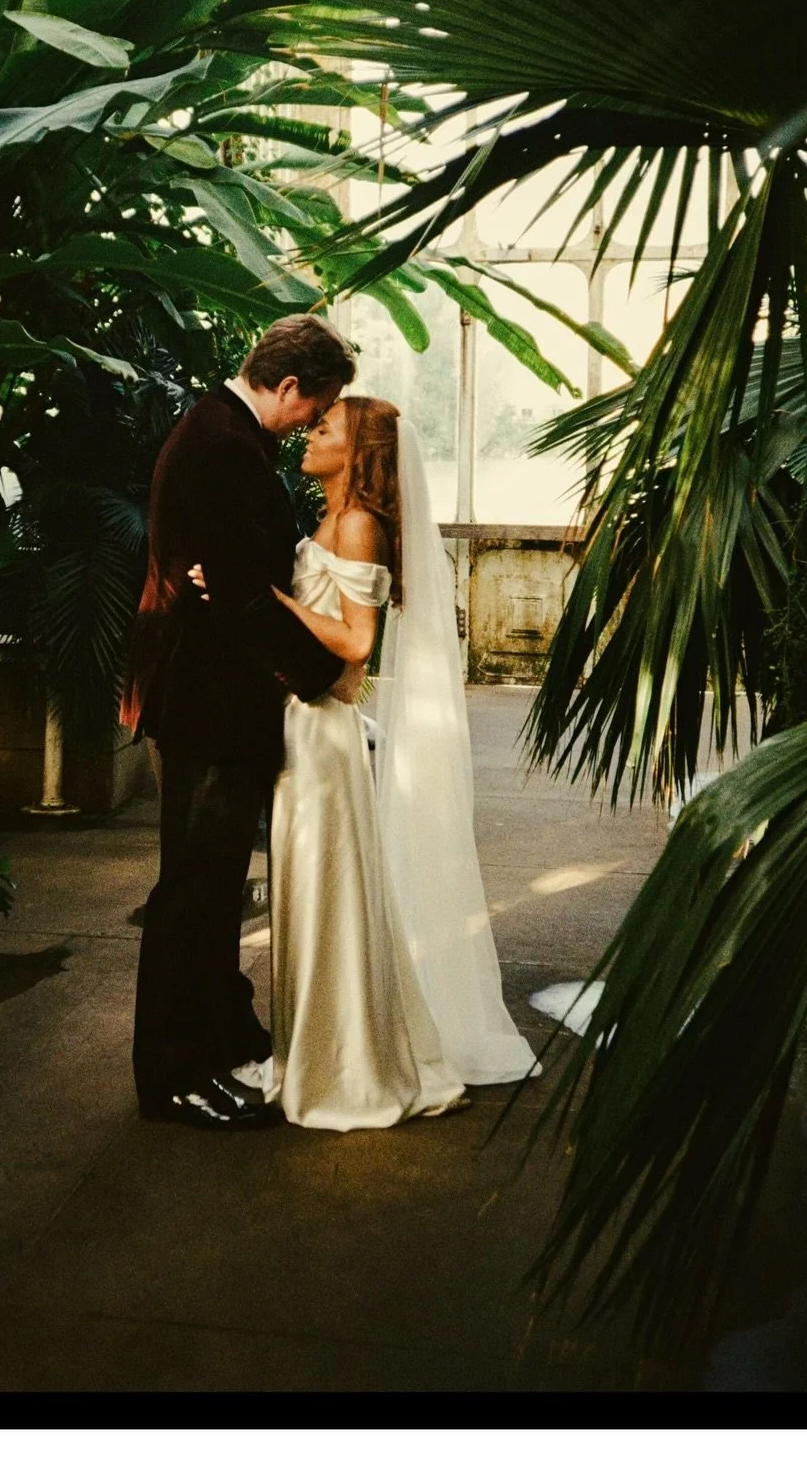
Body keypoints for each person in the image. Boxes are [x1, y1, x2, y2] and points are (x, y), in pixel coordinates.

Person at [190, 397, 539, 1130]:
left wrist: (274, 600)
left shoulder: (357, 525)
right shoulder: (323, 516)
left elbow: (355, 645)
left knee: (326, 888)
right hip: (300, 726)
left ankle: (347, 1065)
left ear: (359, 452)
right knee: (306, 890)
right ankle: (317, 1048)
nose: (311, 434)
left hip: (324, 739)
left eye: (327, 429)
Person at [121, 314, 359, 1130]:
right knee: (194, 892)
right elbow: (242, 598)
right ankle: (173, 1076)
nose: (309, 426)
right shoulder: (225, 446)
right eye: (314, 406)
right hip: (211, 706)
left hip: (202, 700)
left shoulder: (212, 429)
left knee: (210, 891)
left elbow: (222, 578)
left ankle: (216, 1046)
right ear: (289, 385)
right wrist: (329, 679)